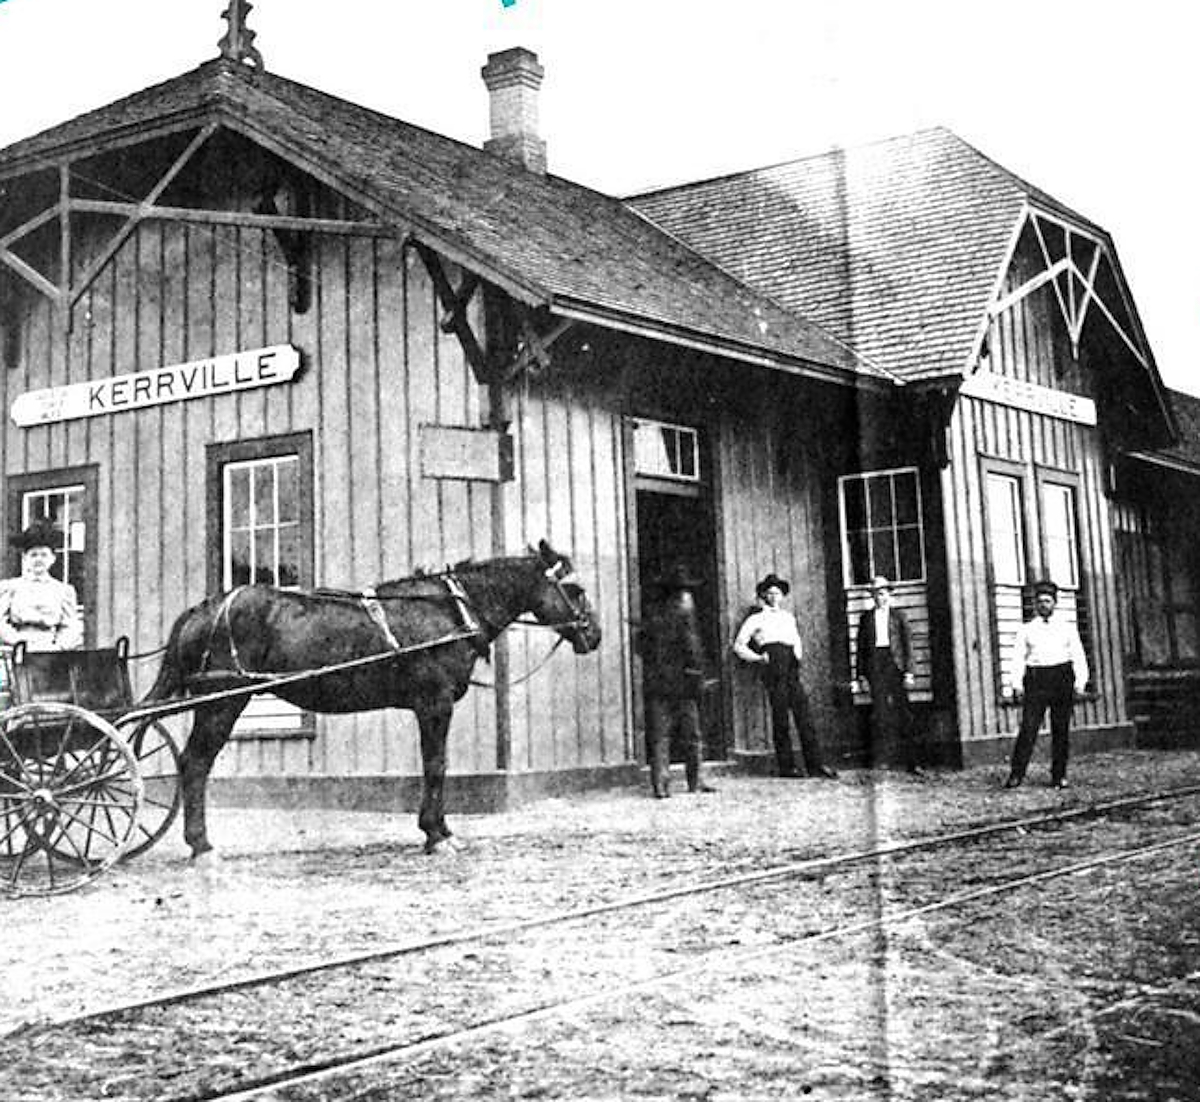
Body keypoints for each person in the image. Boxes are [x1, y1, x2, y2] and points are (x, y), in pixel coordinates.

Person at [732, 573, 837, 779]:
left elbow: (796, 639)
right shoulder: (756, 619)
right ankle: (787, 767)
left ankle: (815, 765)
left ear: (782, 596)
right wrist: (758, 658)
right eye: (770, 593)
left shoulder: (788, 617)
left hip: (790, 666)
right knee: (780, 717)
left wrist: (797, 655)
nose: (774, 597)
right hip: (773, 666)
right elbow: (738, 645)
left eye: (777, 593)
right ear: (764, 595)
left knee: (804, 715)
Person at [1003, 579, 1089, 789]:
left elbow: (1078, 655)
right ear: (1035, 604)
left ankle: (1059, 775)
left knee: (1061, 729)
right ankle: (1016, 774)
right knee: (1029, 728)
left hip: (1061, 678)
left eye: (1047, 601)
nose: (1043, 605)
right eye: (1040, 601)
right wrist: (1016, 684)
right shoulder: (1026, 629)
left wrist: (1080, 682)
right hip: (1037, 679)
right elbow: (1018, 658)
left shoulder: (1067, 628)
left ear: (1055, 603)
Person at [640, 563, 716, 799]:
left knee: (661, 735)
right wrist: (701, 675)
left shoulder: (652, 616)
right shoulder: (685, 614)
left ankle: (661, 785)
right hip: (683, 683)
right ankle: (695, 781)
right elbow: (694, 649)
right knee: (691, 734)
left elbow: (641, 647)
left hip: (660, 683)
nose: (688, 597)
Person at [854, 575, 924, 775]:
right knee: (880, 713)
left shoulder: (898, 616)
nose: (880, 598)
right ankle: (884, 759)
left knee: (904, 713)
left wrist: (909, 672)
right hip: (876, 665)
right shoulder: (866, 618)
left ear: (889, 595)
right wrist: (861, 676)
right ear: (872, 596)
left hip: (895, 665)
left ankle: (913, 761)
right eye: (876, 594)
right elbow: (860, 649)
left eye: (883, 594)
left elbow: (908, 645)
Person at [0, 521, 84, 652]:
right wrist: (18, 642)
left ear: (53, 558)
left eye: (44, 555)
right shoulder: (10, 588)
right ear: (25, 558)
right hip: (18, 649)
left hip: (50, 649)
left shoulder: (63, 591)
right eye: (33, 555)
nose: (39, 560)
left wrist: (58, 646)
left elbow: (71, 625)